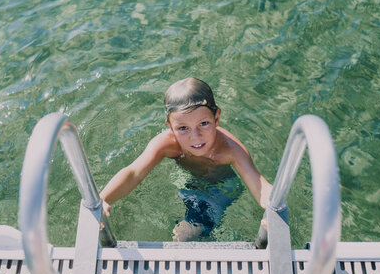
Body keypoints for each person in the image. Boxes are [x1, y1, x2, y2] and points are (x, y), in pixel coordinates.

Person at [100, 77, 273, 241]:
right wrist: (102, 199)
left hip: (221, 186)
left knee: (184, 235)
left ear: (217, 118)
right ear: (170, 127)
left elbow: (257, 182)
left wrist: (272, 203)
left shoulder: (230, 150)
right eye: (183, 128)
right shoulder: (166, 144)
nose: (195, 137)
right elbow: (134, 173)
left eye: (204, 124)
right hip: (193, 182)